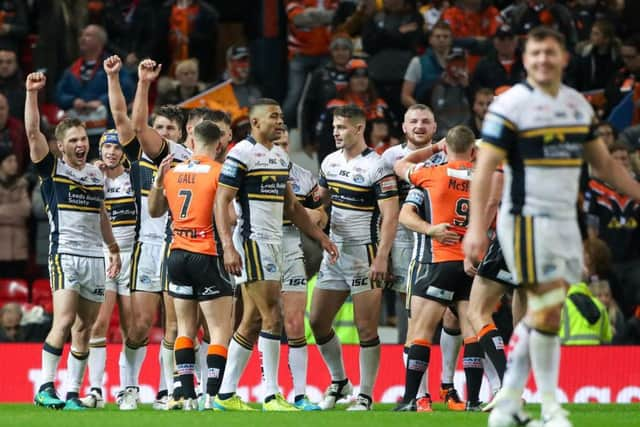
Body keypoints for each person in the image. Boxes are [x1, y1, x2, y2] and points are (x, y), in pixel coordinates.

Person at [464, 27, 640, 427]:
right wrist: (476, 228)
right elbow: (486, 167)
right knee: (543, 309)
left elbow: (605, 166)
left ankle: (509, 401)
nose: (543, 59)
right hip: (525, 219)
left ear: (563, 57)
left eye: (550, 52)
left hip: (565, 223)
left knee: (547, 313)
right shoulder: (510, 106)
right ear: (525, 60)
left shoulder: (577, 106)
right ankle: (550, 408)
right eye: (536, 53)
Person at [213, 98, 338, 411]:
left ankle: (225, 395)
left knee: (253, 319)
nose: (280, 121)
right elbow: (221, 199)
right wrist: (228, 245)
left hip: (278, 244)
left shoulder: (280, 157)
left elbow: (292, 207)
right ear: (255, 123)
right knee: (273, 316)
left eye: (281, 116)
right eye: (273, 116)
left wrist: (320, 236)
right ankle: (271, 395)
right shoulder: (241, 153)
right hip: (254, 242)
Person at [26, 72, 121, 411]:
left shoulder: (96, 174)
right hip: (65, 253)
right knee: (64, 321)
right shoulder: (51, 169)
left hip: (95, 257)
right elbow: (32, 132)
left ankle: (72, 394)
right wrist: (31, 93)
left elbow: (101, 214)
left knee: (85, 329)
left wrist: (112, 247)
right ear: (61, 145)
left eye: (84, 139)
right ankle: (44, 387)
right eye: (75, 141)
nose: (82, 144)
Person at [105, 55, 190, 410]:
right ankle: (128, 387)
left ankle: (169, 391)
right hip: (145, 247)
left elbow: (137, 125)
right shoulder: (139, 154)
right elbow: (124, 119)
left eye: (169, 128)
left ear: (181, 133)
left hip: (177, 245)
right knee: (139, 326)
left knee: (174, 327)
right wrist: (124, 79)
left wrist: (143, 84)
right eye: (159, 127)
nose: (162, 133)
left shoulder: (183, 156)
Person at [309, 104, 399, 411]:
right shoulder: (330, 162)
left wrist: (383, 257)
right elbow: (322, 201)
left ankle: (366, 395)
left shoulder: (377, 167)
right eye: (334, 126)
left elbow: (390, 216)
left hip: (365, 253)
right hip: (335, 252)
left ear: (359, 129)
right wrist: (318, 217)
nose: (335, 132)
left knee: (366, 328)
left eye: (342, 127)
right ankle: (339, 381)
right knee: (318, 322)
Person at [392, 125, 483, 412]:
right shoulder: (487, 179)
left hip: (438, 261)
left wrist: (434, 148)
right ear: (472, 149)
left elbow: (399, 165)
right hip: (472, 265)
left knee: (420, 332)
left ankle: (411, 398)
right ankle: (473, 400)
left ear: (445, 147)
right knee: (473, 332)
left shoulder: (430, 175)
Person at [383, 105, 466, 412]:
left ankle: (447, 385)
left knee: (453, 316)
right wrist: (383, 252)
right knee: (417, 321)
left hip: (449, 244)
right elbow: (387, 208)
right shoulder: (390, 157)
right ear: (404, 126)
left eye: (426, 121)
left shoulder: (450, 157)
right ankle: (421, 394)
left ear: (435, 127)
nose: (419, 125)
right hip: (408, 244)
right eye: (413, 121)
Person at [148, 120, 234, 410]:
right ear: (219, 145)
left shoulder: (173, 172)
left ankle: (186, 394)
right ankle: (211, 395)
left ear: (192, 142)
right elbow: (230, 217)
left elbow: (155, 210)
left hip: (176, 254)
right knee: (219, 329)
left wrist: (158, 181)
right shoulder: (220, 172)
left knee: (185, 328)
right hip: (206, 253)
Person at [81, 130, 136, 409]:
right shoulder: (94, 177)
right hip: (103, 255)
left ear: (124, 152)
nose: (110, 152)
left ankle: (129, 390)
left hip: (131, 256)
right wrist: (93, 170)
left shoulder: (133, 179)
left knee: (132, 328)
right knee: (98, 324)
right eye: (106, 147)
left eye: (115, 147)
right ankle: (95, 390)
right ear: (100, 151)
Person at [274, 127, 325, 410]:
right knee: (257, 321)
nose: (280, 149)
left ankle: (300, 394)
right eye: (275, 144)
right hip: (259, 247)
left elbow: (322, 214)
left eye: (284, 144)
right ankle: (264, 391)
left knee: (294, 322)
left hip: (293, 247)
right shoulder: (251, 172)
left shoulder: (305, 178)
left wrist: (316, 213)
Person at [0, 147, 30, 278]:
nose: (14, 164)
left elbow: (26, 210)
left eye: (15, 161)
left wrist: (3, 210)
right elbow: (20, 210)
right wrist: (15, 211)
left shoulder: (22, 184)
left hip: (19, 251)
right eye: (9, 161)